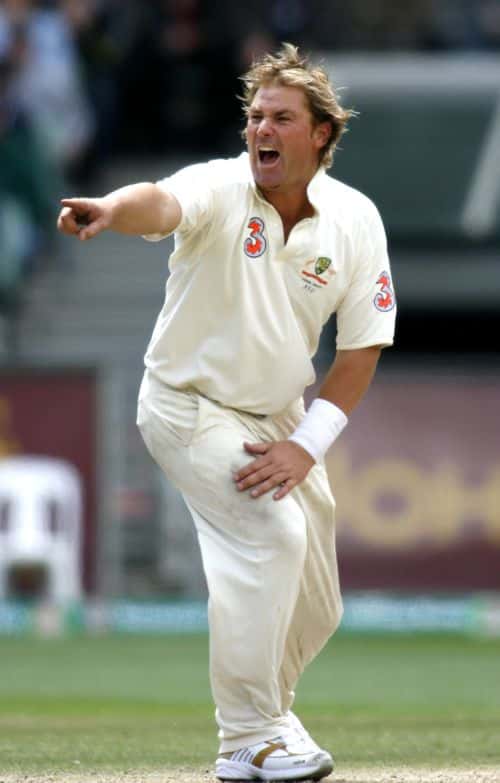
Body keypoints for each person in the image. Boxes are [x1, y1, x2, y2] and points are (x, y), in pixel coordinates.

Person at [57, 43, 396, 782]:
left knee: (318, 601)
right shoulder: (221, 186)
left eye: (280, 117)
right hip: (188, 405)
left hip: (277, 419)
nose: (259, 130)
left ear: (321, 135)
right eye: (253, 116)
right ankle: (248, 733)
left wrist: (305, 445)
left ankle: (265, 727)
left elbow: (360, 350)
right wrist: (112, 209)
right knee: (271, 534)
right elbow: (163, 200)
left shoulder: (355, 220)